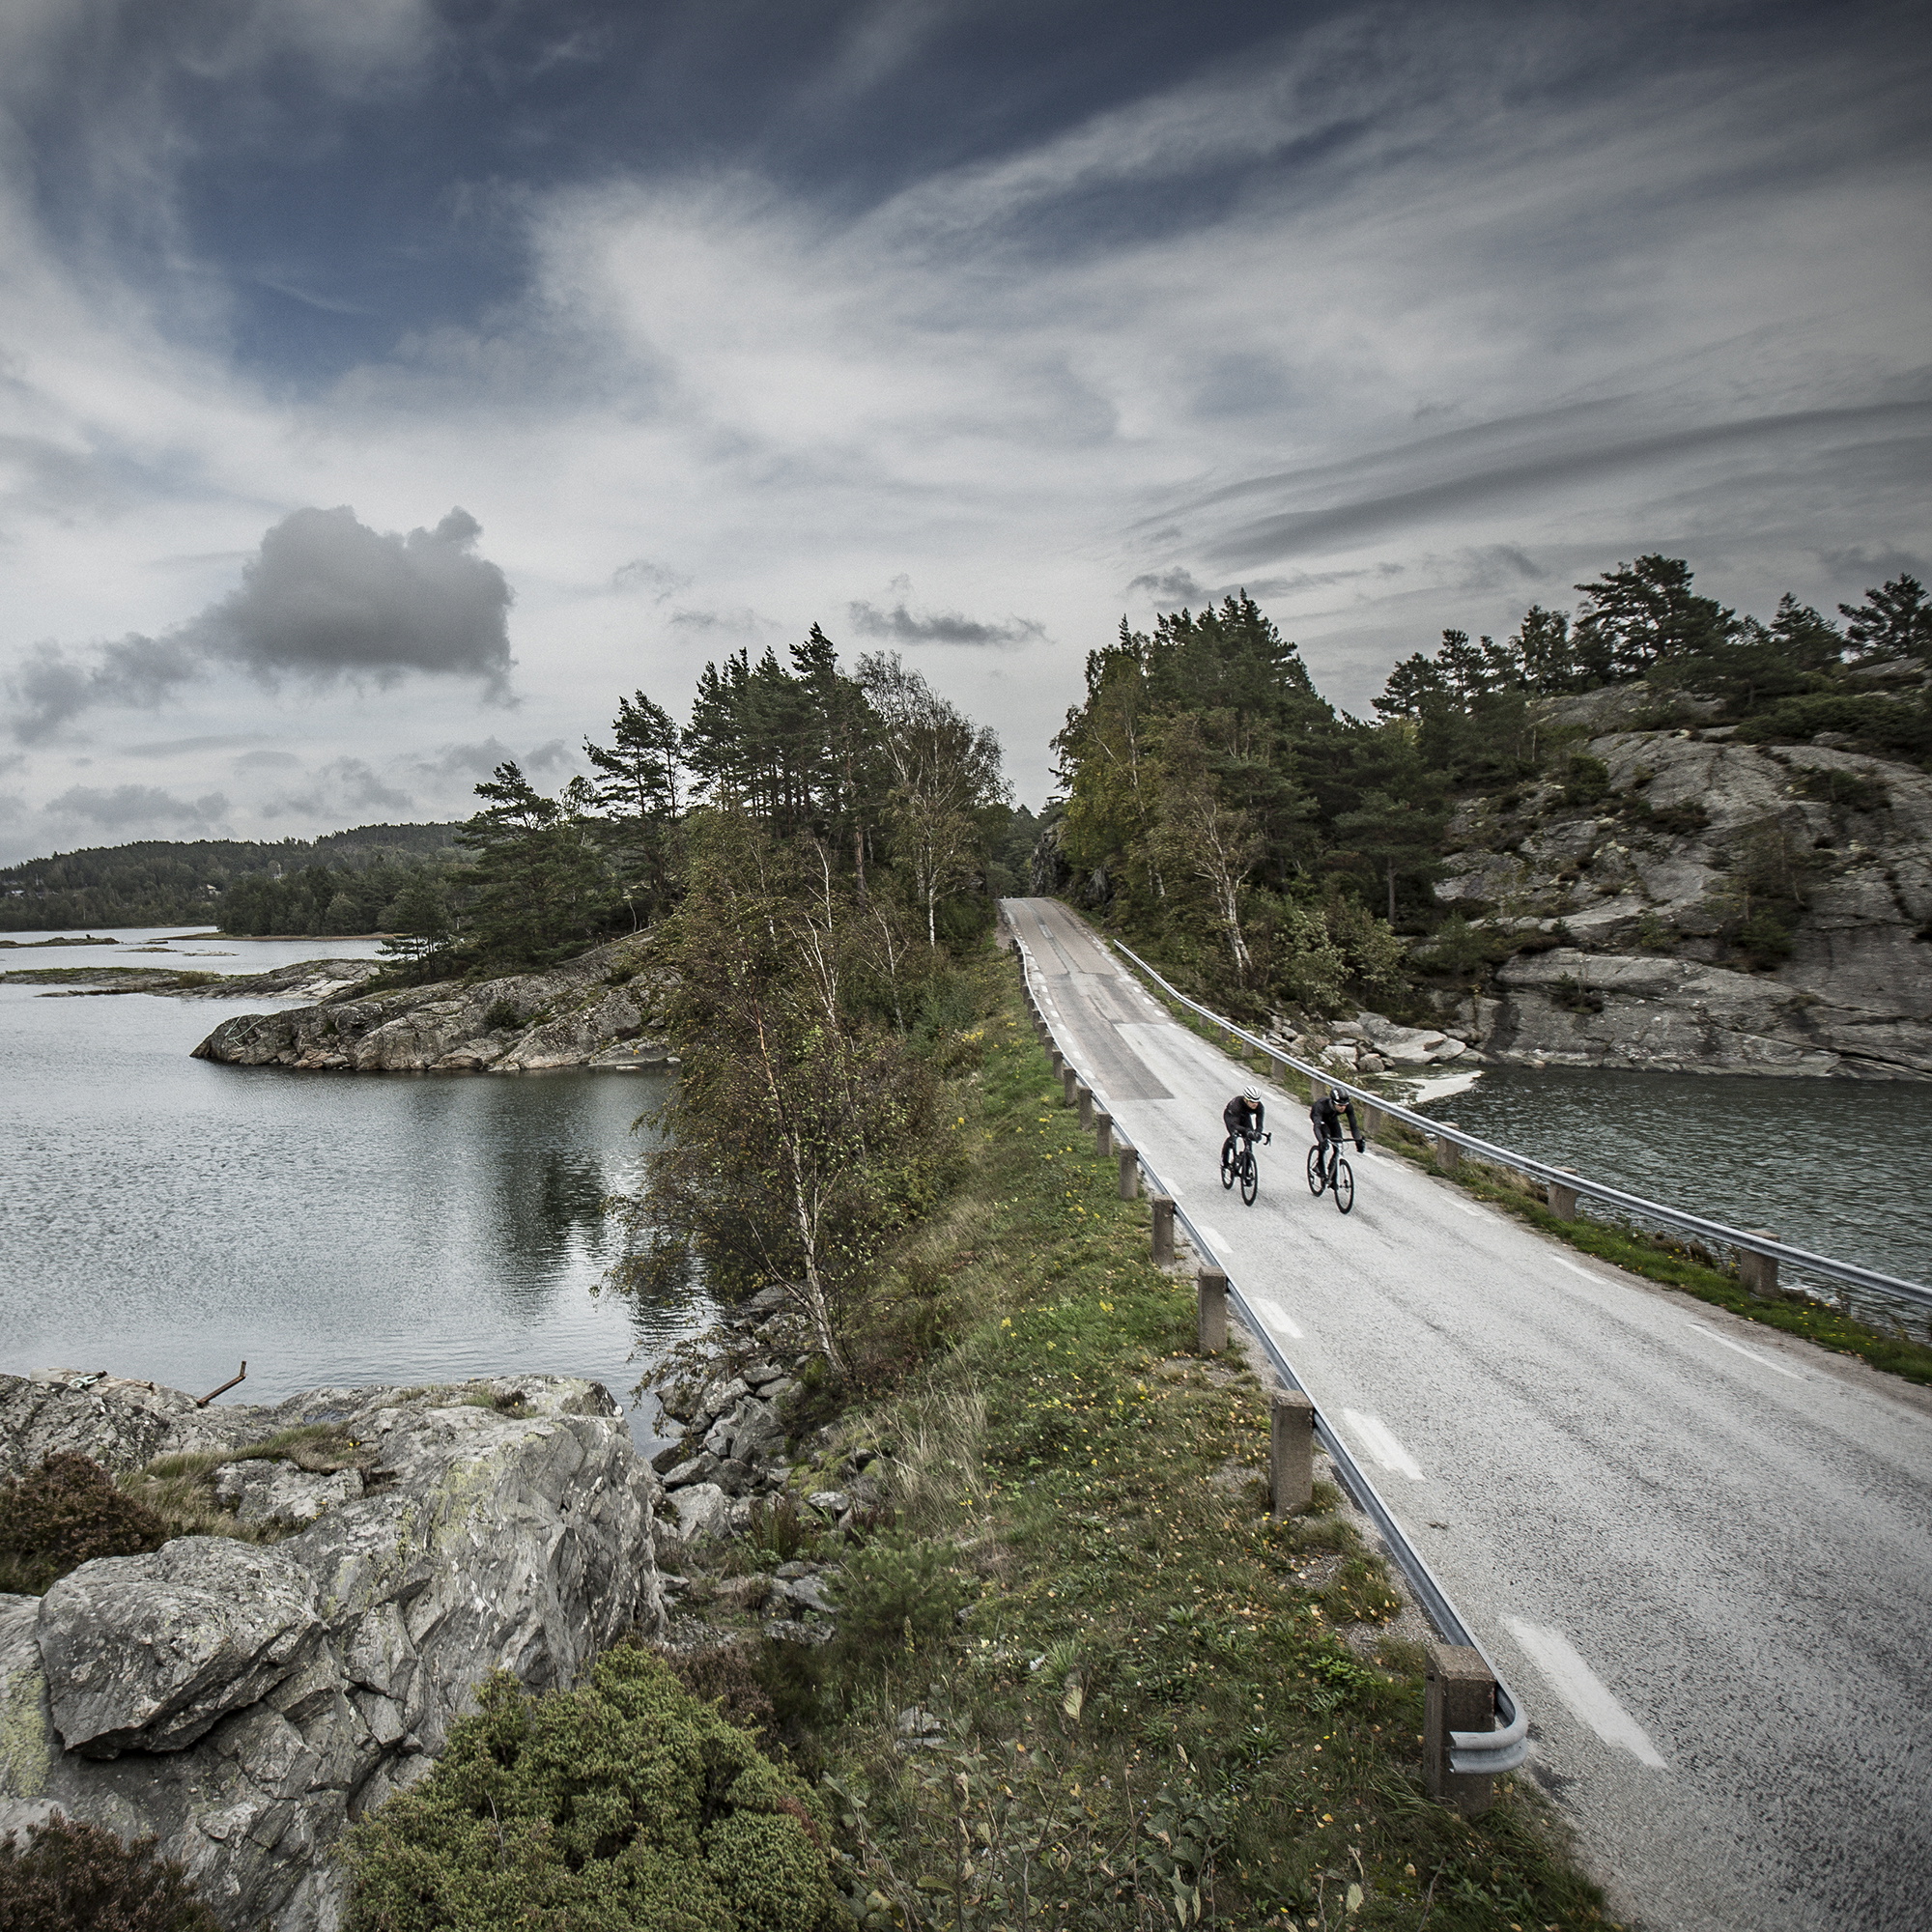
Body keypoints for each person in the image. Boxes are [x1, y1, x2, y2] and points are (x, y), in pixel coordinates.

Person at [1309, 1085, 1365, 1183]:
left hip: (1332, 1119)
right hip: (1320, 1119)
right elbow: (1317, 1127)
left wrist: (1358, 1140)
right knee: (1325, 1140)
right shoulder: (1321, 1105)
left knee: (1338, 1144)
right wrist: (1321, 1141)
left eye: (1345, 1105)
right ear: (1333, 1102)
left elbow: (1354, 1126)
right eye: (1340, 1105)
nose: (1343, 1107)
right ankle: (1319, 1166)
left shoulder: (1348, 1107)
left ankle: (1332, 1170)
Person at [1221, 1088, 1267, 1173]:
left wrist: (1258, 1133)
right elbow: (1234, 1125)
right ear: (1246, 1100)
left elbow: (1259, 1124)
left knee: (1249, 1139)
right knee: (1234, 1135)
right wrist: (1246, 1131)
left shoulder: (1260, 1107)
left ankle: (1247, 1170)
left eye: (1257, 1101)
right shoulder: (1236, 1105)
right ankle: (1224, 1161)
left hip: (1245, 1116)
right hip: (1231, 1116)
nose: (1255, 1104)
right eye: (1252, 1101)